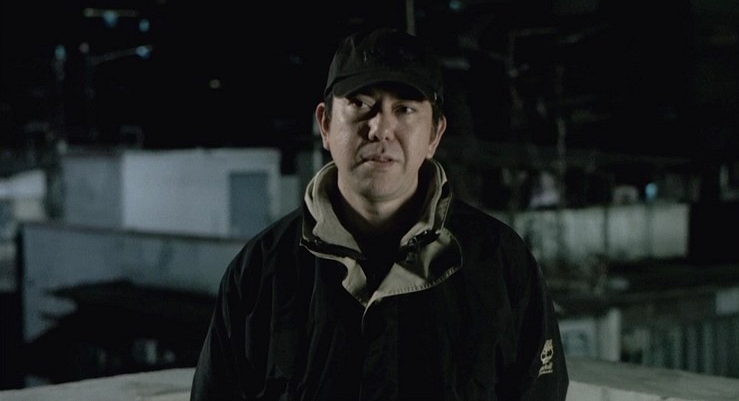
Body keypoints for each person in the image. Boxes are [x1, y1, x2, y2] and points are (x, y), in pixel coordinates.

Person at [190, 27, 569, 400]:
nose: (380, 128)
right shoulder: (261, 271)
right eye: (359, 104)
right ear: (325, 124)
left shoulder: (501, 264)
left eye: (404, 109)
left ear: (434, 134)